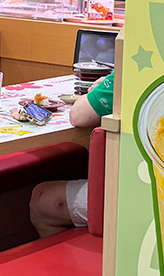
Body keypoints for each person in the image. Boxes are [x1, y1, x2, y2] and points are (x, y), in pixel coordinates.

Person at [30, 71, 114, 237]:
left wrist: (106, 85)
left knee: (43, 199)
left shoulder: (128, 75)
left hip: (137, 198)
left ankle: (96, 250)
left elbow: (78, 116)